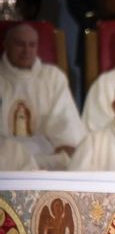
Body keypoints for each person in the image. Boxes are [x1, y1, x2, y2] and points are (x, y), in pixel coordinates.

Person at [0, 23, 86, 170]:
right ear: (6, 45)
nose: (26, 51)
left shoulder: (52, 77)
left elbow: (66, 128)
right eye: (20, 44)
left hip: (45, 159)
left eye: (32, 45)